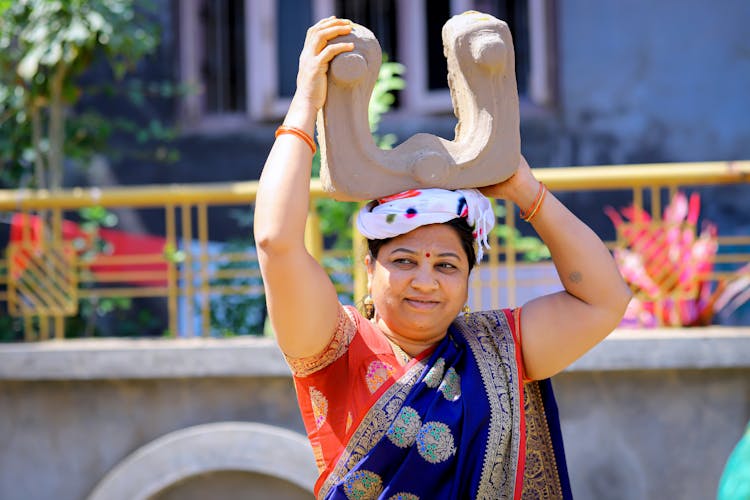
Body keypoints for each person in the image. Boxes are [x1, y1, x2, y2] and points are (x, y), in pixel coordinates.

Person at [254, 16, 632, 499]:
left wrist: (525, 191)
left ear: (470, 276)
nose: (425, 282)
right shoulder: (337, 348)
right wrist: (306, 103)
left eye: (447, 265)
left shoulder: (497, 351)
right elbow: (275, 242)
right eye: (405, 260)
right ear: (370, 267)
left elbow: (604, 300)